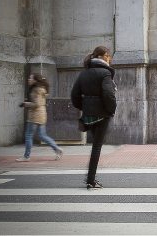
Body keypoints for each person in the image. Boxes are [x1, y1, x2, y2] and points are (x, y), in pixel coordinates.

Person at [71, 46, 117, 189]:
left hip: (88, 115)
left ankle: (91, 178)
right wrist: (111, 110)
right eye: (108, 55)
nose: (109, 58)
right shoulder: (105, 73)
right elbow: (109, 94)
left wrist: (84, 107)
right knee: (96, 147)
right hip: (102, 114)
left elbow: (74, 95)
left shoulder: (84, 74)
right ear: (102, 56)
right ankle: (91, 180)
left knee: (95, 147)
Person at [16, 73, 63, 162]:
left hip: (35, 116)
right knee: (42, 136)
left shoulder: (36, 89)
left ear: (35, 80)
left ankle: (26, 156)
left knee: (29, 135)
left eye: (30, 78)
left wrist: (25, 104)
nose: (28, 80)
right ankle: (57, 149)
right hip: (41, 115)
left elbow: (36, 104)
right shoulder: (41, 89)